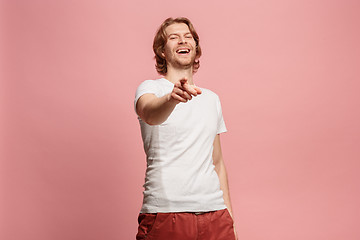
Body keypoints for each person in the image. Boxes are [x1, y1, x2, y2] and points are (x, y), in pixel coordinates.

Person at [134, 17, 237, 240]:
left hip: (216, 216)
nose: (183, 40)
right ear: (162, 51)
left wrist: (229, 217)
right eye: (174, 37)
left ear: (195, 47)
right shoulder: (150, 88)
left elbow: (217, 163)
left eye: (187, 36)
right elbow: (149, 113)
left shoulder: (211, 99)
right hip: (166, 214)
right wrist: (171, 98)